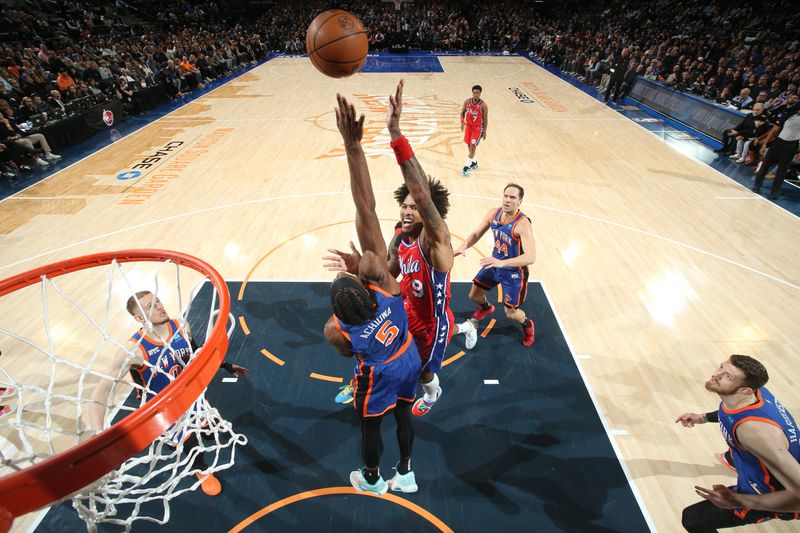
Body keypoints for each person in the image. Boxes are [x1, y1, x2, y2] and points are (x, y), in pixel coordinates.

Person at [325, 81, 477, 416]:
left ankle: (435, 392)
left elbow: (422, 193)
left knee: (424, 373)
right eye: (404, 206)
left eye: (414, 207)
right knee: (350, 332)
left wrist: (395, 132)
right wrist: (358, 268)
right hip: (405, 307)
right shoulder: (399, 235)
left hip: (431, 323)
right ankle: (361, 378)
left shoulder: (437, 244)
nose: (408, 210)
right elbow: (384, 261)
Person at [323, 93, 422, 495]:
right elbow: (365, 205)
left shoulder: (339, 330)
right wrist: (354, 145)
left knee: (370, 424)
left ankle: (370, 479)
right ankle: (408, 471)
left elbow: (343, 343)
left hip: (378, 370)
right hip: (408, 355)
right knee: (403, 415)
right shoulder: (386, 284)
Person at [90, 290, 249, 497]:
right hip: (164, 409)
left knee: (207, 426)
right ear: (139, 318)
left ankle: (205, 427)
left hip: (191, 395)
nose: (158, 306)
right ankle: (200, 470)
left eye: (157, 301)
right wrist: (97, 433)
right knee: (191, 442)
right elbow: (100, 391)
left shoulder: (181, 326)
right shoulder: (134, 350)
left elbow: (196, 352)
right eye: (149, 306)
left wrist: (226, 365)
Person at [677, 355, 800, 532]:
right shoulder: (754, 395)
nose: (717, 375)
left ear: (745, 390)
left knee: (693, 519)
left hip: (773, 494)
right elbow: (727, 412)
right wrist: (702, 418)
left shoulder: (754, 433)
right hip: (777, 458)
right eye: (721, 368)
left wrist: (738, 500)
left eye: (727, 377)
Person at [455, 184, 537, 347]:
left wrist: (503, 262)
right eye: (505, 195)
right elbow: (477, 233)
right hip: (495, 263)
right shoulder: (494, 213)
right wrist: (463, 246)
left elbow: (531, 257)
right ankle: (486, 308)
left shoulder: (523, 223)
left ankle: (528, 325)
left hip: (514, 273)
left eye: (512, 197)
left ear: (519, 201)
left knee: (511, 313)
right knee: (474, 295)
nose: (507, 200)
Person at [752, 94, 800, 199]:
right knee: (766, 165)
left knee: (782, 170)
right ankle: (757, 185)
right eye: (792, 98)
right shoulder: (788, 114)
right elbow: (774, 130)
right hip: (779, 143)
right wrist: (765, 143)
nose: (793, 100)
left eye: (795, 98)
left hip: (792, 145)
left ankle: (775, 191)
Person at [459, 84, 488, 176]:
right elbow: (462, 113)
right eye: (474, 92)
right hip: (468, 127)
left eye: (477, 93)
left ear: (480, 93)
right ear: (472, 92)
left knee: (472, 146)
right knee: (469, 146)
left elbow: (485, 119)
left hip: (477, 129)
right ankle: (474, 162)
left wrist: (484, 131)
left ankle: (466, 167)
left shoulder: (483, 105)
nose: (476, 94)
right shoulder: (467, 102)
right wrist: (462, 122)